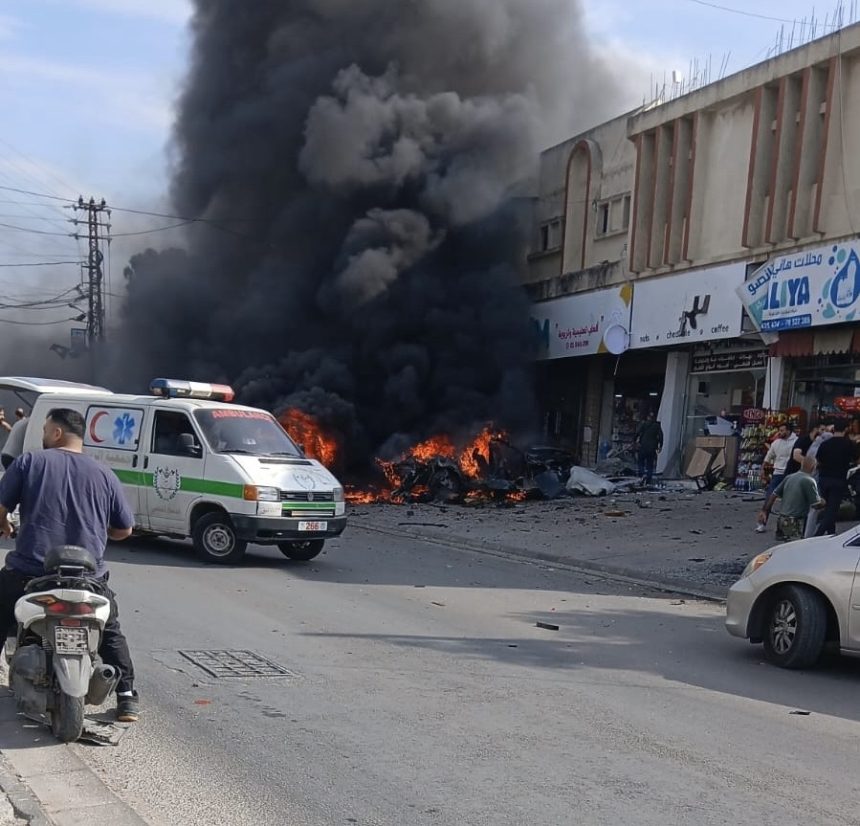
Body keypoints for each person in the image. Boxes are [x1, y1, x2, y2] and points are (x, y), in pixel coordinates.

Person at [0, 409, 140, 722]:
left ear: (57, 433)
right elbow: (124, 529)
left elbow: (1, 508)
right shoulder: (104, 474)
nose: (43, 435)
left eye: (46, 429)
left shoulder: (30, 462)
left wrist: (6, 527)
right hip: (88, 579)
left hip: (31, 573)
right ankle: (127, 697)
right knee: (111, 631)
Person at [757, 455, 825, 541]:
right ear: (813, 467)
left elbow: (773, 495)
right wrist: (824, 502)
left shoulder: (789, 477)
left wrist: (765, 510)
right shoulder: (809, 481)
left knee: (783, 547)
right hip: (795, 521)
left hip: (782, 519)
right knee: (794, 546)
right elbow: (816, 505)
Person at [814, 421, 859, 536]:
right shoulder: (849, 444)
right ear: (845, 430)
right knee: (832, 511)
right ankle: (817, 535)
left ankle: (831, 534)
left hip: (824, 479)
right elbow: (857, 460)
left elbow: (818, 461)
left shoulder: (825, 444)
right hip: (838, 480)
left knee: (827, 507)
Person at [635, 411, 663, 485]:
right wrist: (660, 446)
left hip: (643, 447)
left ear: (648, 417)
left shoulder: (643, 424)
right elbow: (661, 437)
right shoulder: (657, 426)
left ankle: (642, 475)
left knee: (641, 462)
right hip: (652, 448)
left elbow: (637, 433)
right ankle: (648, 478)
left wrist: (634, 441)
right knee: (650, 464)